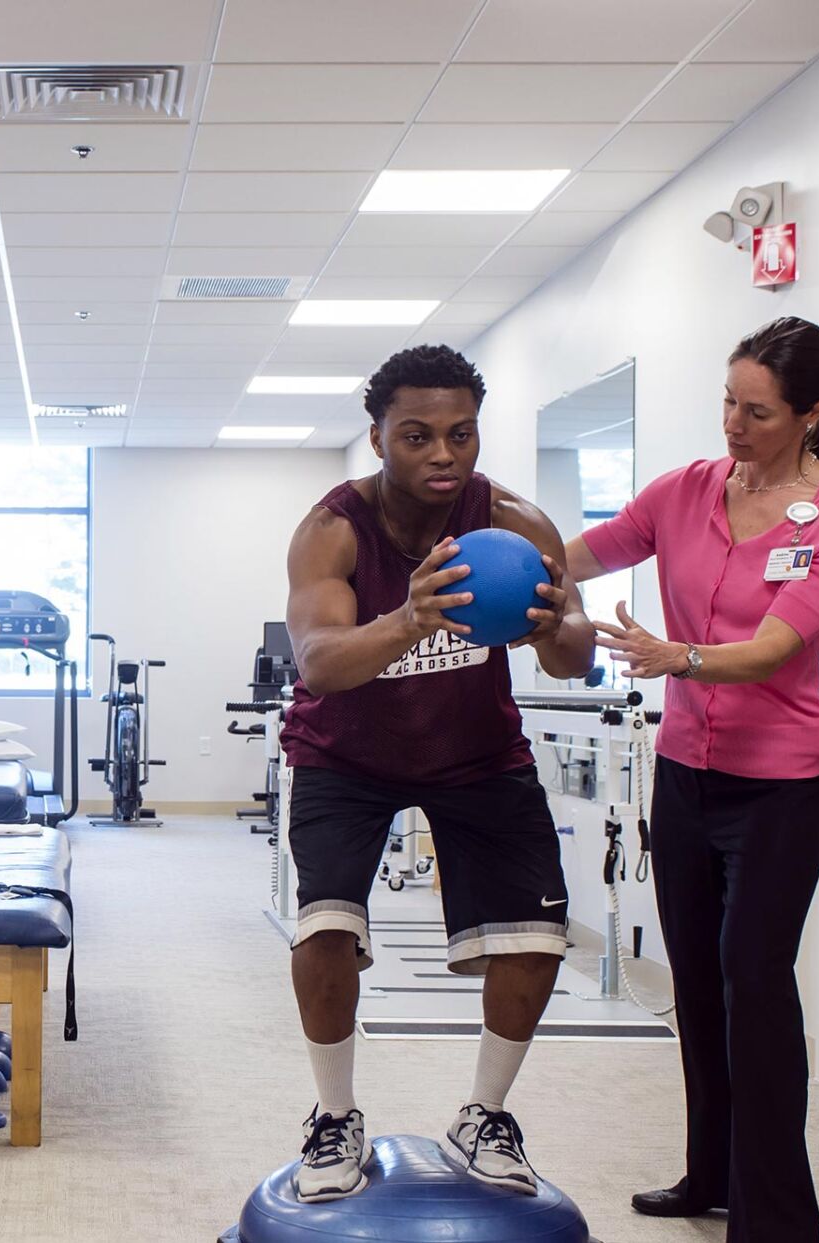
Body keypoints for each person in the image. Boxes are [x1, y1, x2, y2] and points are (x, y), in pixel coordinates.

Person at [566, 316, 819, 1243]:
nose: (734, 426)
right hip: (686, 778)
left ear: (812, 413)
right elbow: (581, 553)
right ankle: (711, 1173)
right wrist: (495, 551)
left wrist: (674, 656)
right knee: (696, 981)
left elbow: (778, 648)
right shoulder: (686, 490)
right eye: (728, 403)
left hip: (780, 787)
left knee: (754, 976)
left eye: (760, 411)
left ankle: (777, 1217)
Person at [278, 344, 596, 1203]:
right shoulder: (333, 529)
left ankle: (482, 1115)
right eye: (417, 436)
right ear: (378, 437)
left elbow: (573, 655)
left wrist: (546, 628)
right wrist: (413, 616)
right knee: (326, 928)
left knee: (536, 937)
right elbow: (320, 663)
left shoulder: (518, 525)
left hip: (476, 752)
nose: (443, 455)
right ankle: (335, 1115)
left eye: (461, 434)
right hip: (344, 752)